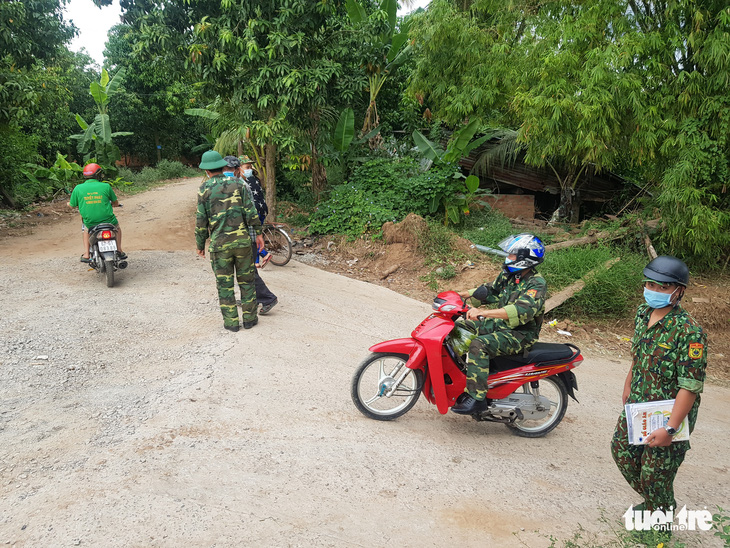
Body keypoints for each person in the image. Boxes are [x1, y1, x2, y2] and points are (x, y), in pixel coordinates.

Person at [611, 256, 707, 519]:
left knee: (656, 472)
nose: (654, 291)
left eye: (663, 288)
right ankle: (658, 502)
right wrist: (628, 385)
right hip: (638, 404)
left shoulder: (689, 332)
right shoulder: (643, 314)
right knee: (622, 452)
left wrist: (671, 429)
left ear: (679, 292)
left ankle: (659, 522)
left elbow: (689, 387)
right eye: (650, 285)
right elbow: (637, 356)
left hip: (668, 413)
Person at [451, 233, 547, 415]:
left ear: (525, 258)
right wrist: (461, 295)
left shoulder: (537, 284)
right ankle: (463, 376)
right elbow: (490, 291)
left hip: (520, 335)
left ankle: (477, 397)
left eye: (511, 255)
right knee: (459, 330)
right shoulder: (511, 275)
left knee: (479, 345)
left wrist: (482, 313)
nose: (507, 258)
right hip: (502, 326)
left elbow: (520, 311)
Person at [195, 150, 264, 332]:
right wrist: (258, 233)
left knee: (225, 285)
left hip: (220, 246)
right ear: (221, 166)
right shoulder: (238, 183)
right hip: (242, 242)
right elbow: (251, 211)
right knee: (247, 282)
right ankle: (250, 319)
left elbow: (201, 220)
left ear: (207, 171)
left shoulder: (204, 189)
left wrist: (200, 245)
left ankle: (232, 323)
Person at [223, 156, 278, 314]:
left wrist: (257, 235)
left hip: (249, 236)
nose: (227, 172)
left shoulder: (243, 186)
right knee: (245, 271)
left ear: (236, 170)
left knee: (248, 271)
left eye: (229, 169)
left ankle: (268, 298)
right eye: (224, 169)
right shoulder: (235, 185)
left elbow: (251, 213)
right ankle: (251, 298)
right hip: (243, 236)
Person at [69, 163, 126, 263]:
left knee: (86, 230)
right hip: (109, 221)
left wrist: (68, 204)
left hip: (90, 222)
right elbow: (115, 202)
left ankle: (86, 254)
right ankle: (119, 250)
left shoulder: (78, 188)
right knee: (117, 228)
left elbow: (72, 205)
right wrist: (116, 204)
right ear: (99, 175)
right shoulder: (106, 186)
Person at [238, 155, 272, 268]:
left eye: (249, 166)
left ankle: (264, 254)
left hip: (255, 212)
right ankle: (256, 261)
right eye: (247, 166)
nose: (249, 169)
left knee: (254, 237)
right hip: (263, 210)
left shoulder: (245, 181)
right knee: (256, 235)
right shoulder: (256, 178)